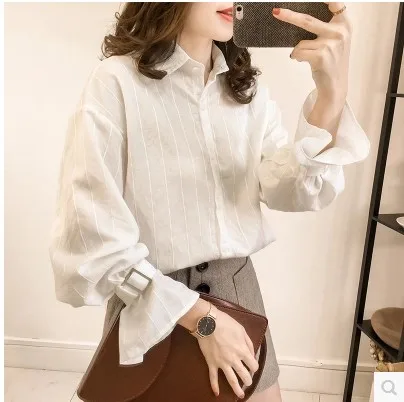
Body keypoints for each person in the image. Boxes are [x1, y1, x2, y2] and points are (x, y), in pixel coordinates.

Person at [48, 2, 370, 401]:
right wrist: (205, 322)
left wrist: (331, 93)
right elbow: (91, 238)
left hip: (240, 297)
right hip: (151, 307)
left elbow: (295, 191)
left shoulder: (245, 92)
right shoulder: (116, 82)